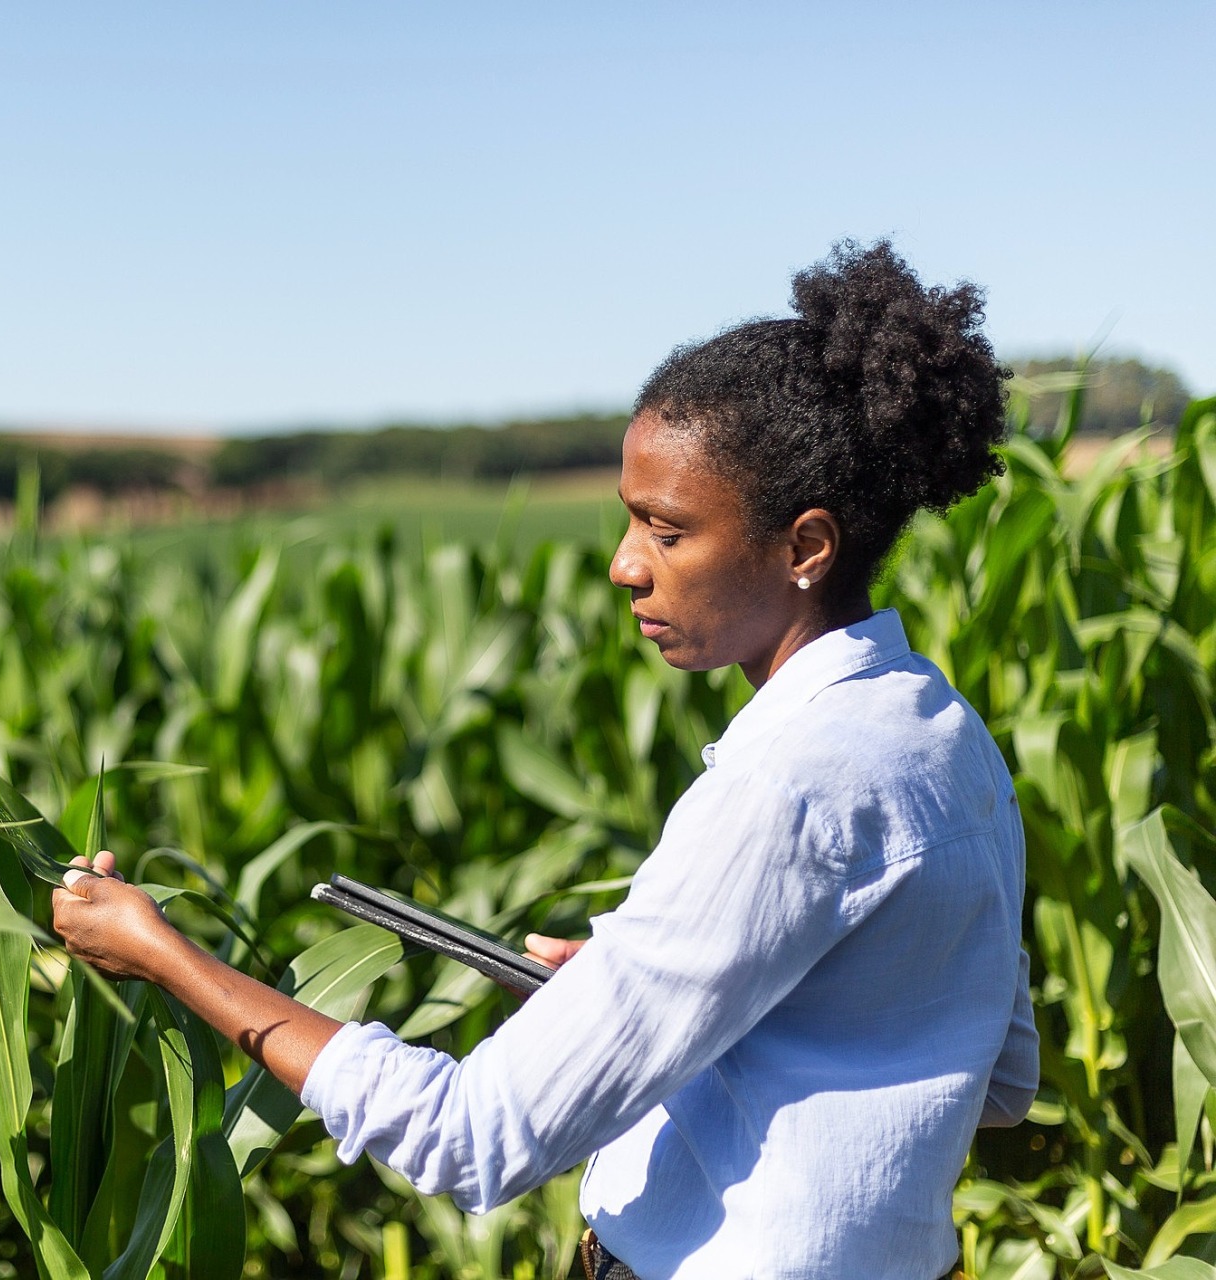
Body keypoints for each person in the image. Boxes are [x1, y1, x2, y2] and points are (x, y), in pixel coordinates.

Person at [51, 240, 1038, 1280]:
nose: (624, 565)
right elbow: (993, 1069)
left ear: (805, 548)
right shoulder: (947, 738)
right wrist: (658, 995)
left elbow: (465, 1136)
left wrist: (165, 954)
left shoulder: (785, 787)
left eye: (666, 529)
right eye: (628, 519)